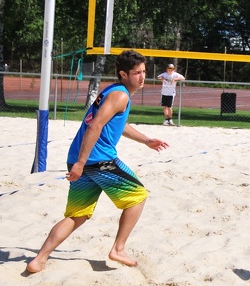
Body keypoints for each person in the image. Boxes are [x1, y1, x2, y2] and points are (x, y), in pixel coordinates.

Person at [26, 50, 169, 274]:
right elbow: (95, 127)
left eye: (143, 72)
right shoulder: (120, 95)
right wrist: (81, 163)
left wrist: (146, 140)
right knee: (138, 196)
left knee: (77, 215)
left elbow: (117, 125)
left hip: (80, 159)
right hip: (98, 160)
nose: (142, 77)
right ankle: (118, 249)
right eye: (136, 73)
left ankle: (39, 259)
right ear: (123, 74)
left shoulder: (112, 91)